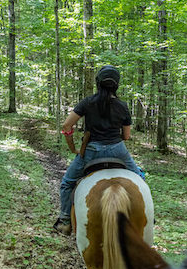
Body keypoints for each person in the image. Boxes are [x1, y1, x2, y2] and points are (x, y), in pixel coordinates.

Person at [54, 65, 145, 235]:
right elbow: (126, 136)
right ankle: (146, 216)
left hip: (91, 152)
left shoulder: (87, 102)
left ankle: (65, 220)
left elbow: (67, 124)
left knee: (67, 183)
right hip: (118, 151)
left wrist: (71, 141)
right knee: (140, 178)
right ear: (116, 85)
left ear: (98, 83)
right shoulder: (123, 106)